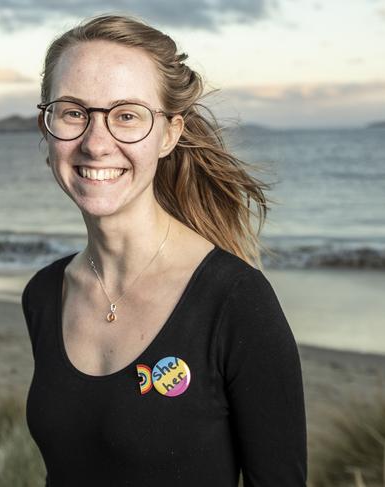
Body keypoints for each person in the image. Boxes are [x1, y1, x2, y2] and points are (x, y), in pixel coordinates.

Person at [21, 13, 307, 487]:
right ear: (47, 126)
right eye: (74, 111)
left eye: (127, 116)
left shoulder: (236, 302)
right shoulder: (45, 294)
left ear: (170, 134)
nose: (96, 143)